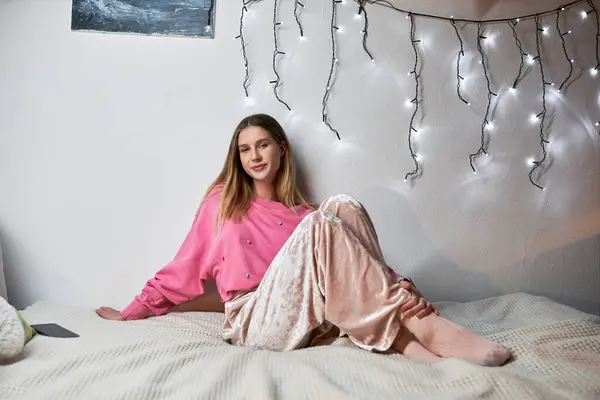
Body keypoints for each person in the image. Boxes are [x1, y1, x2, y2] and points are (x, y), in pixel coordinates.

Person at [97, 114, 511, 366]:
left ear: (281, 149)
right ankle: (425, 330)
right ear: (237, 159)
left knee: (341, 205)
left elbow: (356, 265)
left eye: (262, 145)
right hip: (255, 319)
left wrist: (402, 285)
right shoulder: (221, 204)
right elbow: (181, 269)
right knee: (323, 222)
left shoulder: (303, 215)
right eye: (244, 150)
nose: (254, 156)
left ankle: (410, 334)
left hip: (312, 315)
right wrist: (132, 311)